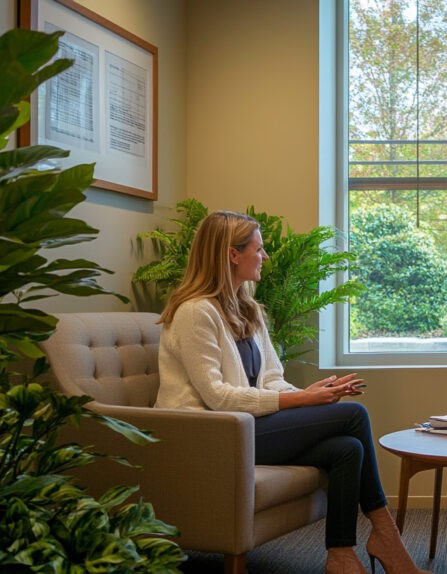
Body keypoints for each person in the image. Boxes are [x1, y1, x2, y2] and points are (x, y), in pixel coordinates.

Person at [155, 210, 428, 574]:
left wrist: (306, 392)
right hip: (211, 436)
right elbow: (217, 397)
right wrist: (303, 401)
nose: (265, 257)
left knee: (348, 449)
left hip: (245, 427)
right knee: (354, 415)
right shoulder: (194, 312)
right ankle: (386, 536)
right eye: (259, 248)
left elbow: (271, 379)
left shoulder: (248, 309)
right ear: (232, 255)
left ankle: (341, 556)